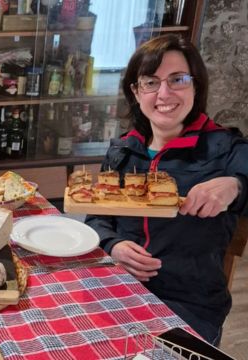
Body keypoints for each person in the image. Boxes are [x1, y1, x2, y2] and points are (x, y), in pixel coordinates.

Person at [85, 34, 248, 346]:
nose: (164, 93)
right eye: (150, 82)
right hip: (119, 288)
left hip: (189, 306)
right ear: (136, 91)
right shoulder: (123, 149)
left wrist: (236, 185)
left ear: (196, 85)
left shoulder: (226, 148)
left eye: (178, 79)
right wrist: (113, 244)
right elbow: (96, 217)